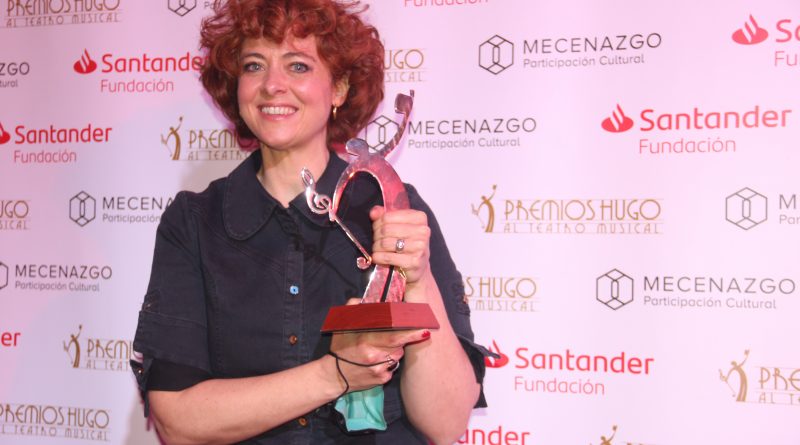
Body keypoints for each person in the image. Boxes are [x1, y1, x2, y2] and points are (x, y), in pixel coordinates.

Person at [131, 1, 488, 444]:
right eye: (254, 65)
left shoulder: (395, 208)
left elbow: (446, 423)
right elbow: (178, 422)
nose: (272, 85)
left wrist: (417, 279)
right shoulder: (194, 223)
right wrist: (335, 373)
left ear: (339, 88)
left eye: (298, 65)